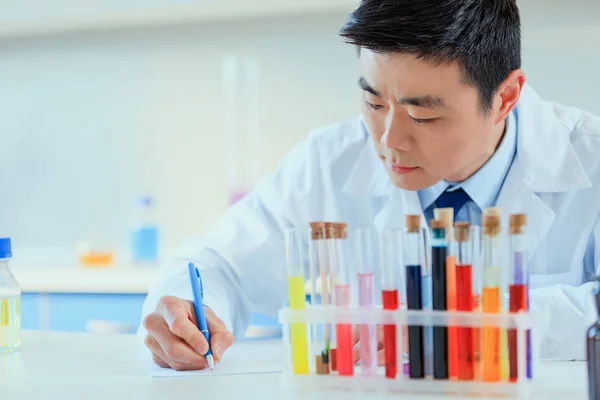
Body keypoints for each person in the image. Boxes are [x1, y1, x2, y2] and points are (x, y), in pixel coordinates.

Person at [139, 0, 600, 371]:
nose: (388, 141)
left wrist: (480, 321)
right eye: (373, 101)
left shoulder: (590, 159)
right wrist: (181, 308)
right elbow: (217, 264)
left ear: (505, 97)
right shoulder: (327, 162)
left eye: (424, 115)